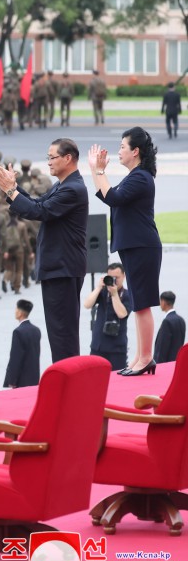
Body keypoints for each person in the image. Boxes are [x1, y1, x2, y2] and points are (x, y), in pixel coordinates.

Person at [0, 138, 88, 362]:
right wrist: (12, 188)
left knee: (63, 333)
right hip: (58, 268)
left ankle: (69, 381)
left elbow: (39, 212)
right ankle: (66, 378)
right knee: (59, 332)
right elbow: (37, 203)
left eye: (52, 157)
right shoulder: (63, 185)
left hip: (63, 268)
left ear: (68, 158)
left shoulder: (72, 189)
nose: (49, 163)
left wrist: (11, 190)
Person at [89, 128, 163, 376]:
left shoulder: (140, 177)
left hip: (142, 245)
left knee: (142, 303)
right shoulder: (135, 175)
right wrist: (95, 170)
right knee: (141, 303)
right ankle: (139, 358)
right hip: (135, 245)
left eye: (122, 146)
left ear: (135, 151)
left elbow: (114, 198)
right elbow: (108, 195)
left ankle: (146, 358)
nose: (119, 150)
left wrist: (99, 170)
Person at [84, 263, 132, 371]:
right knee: (95, 378)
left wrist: (114, 294)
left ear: (124, 276)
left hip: (117, 348)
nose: (114, 280)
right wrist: (98, 288)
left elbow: (122, 314)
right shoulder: (102, 292)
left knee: (117, 381)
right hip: (98, 345)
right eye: (111, 277)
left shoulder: (128, 295)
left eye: (117, 278)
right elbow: (87, 305)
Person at [3, 299, 41, 389]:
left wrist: (12, 380)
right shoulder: (36, 330)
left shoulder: (18, 332)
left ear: (20, 313)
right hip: (34, 377)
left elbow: (15, 357)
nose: (15, 312)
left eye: (16, 309)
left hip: (21, 379)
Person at [155, 291, 185, 364]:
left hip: (166, 363)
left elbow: (162, 347)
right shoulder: (181, 320)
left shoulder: (167, 321)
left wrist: (158, 365)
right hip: (176, 362)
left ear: (163, 302)